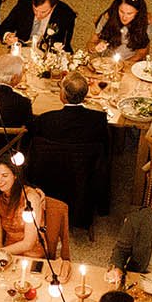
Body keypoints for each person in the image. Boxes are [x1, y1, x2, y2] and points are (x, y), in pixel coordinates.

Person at [27, 74, 114, 231]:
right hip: (84, 177)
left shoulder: (46, 119)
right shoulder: (98, 120)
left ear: (63, 96)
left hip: (50, 175)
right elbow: (106, 152)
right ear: (85, 95)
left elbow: (32, 143)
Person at [0, 158, 68, 260]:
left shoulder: (30, 197)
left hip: (32, 254)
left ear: (15, 175)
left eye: (5, 175)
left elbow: (28, 243)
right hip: (8, 253)